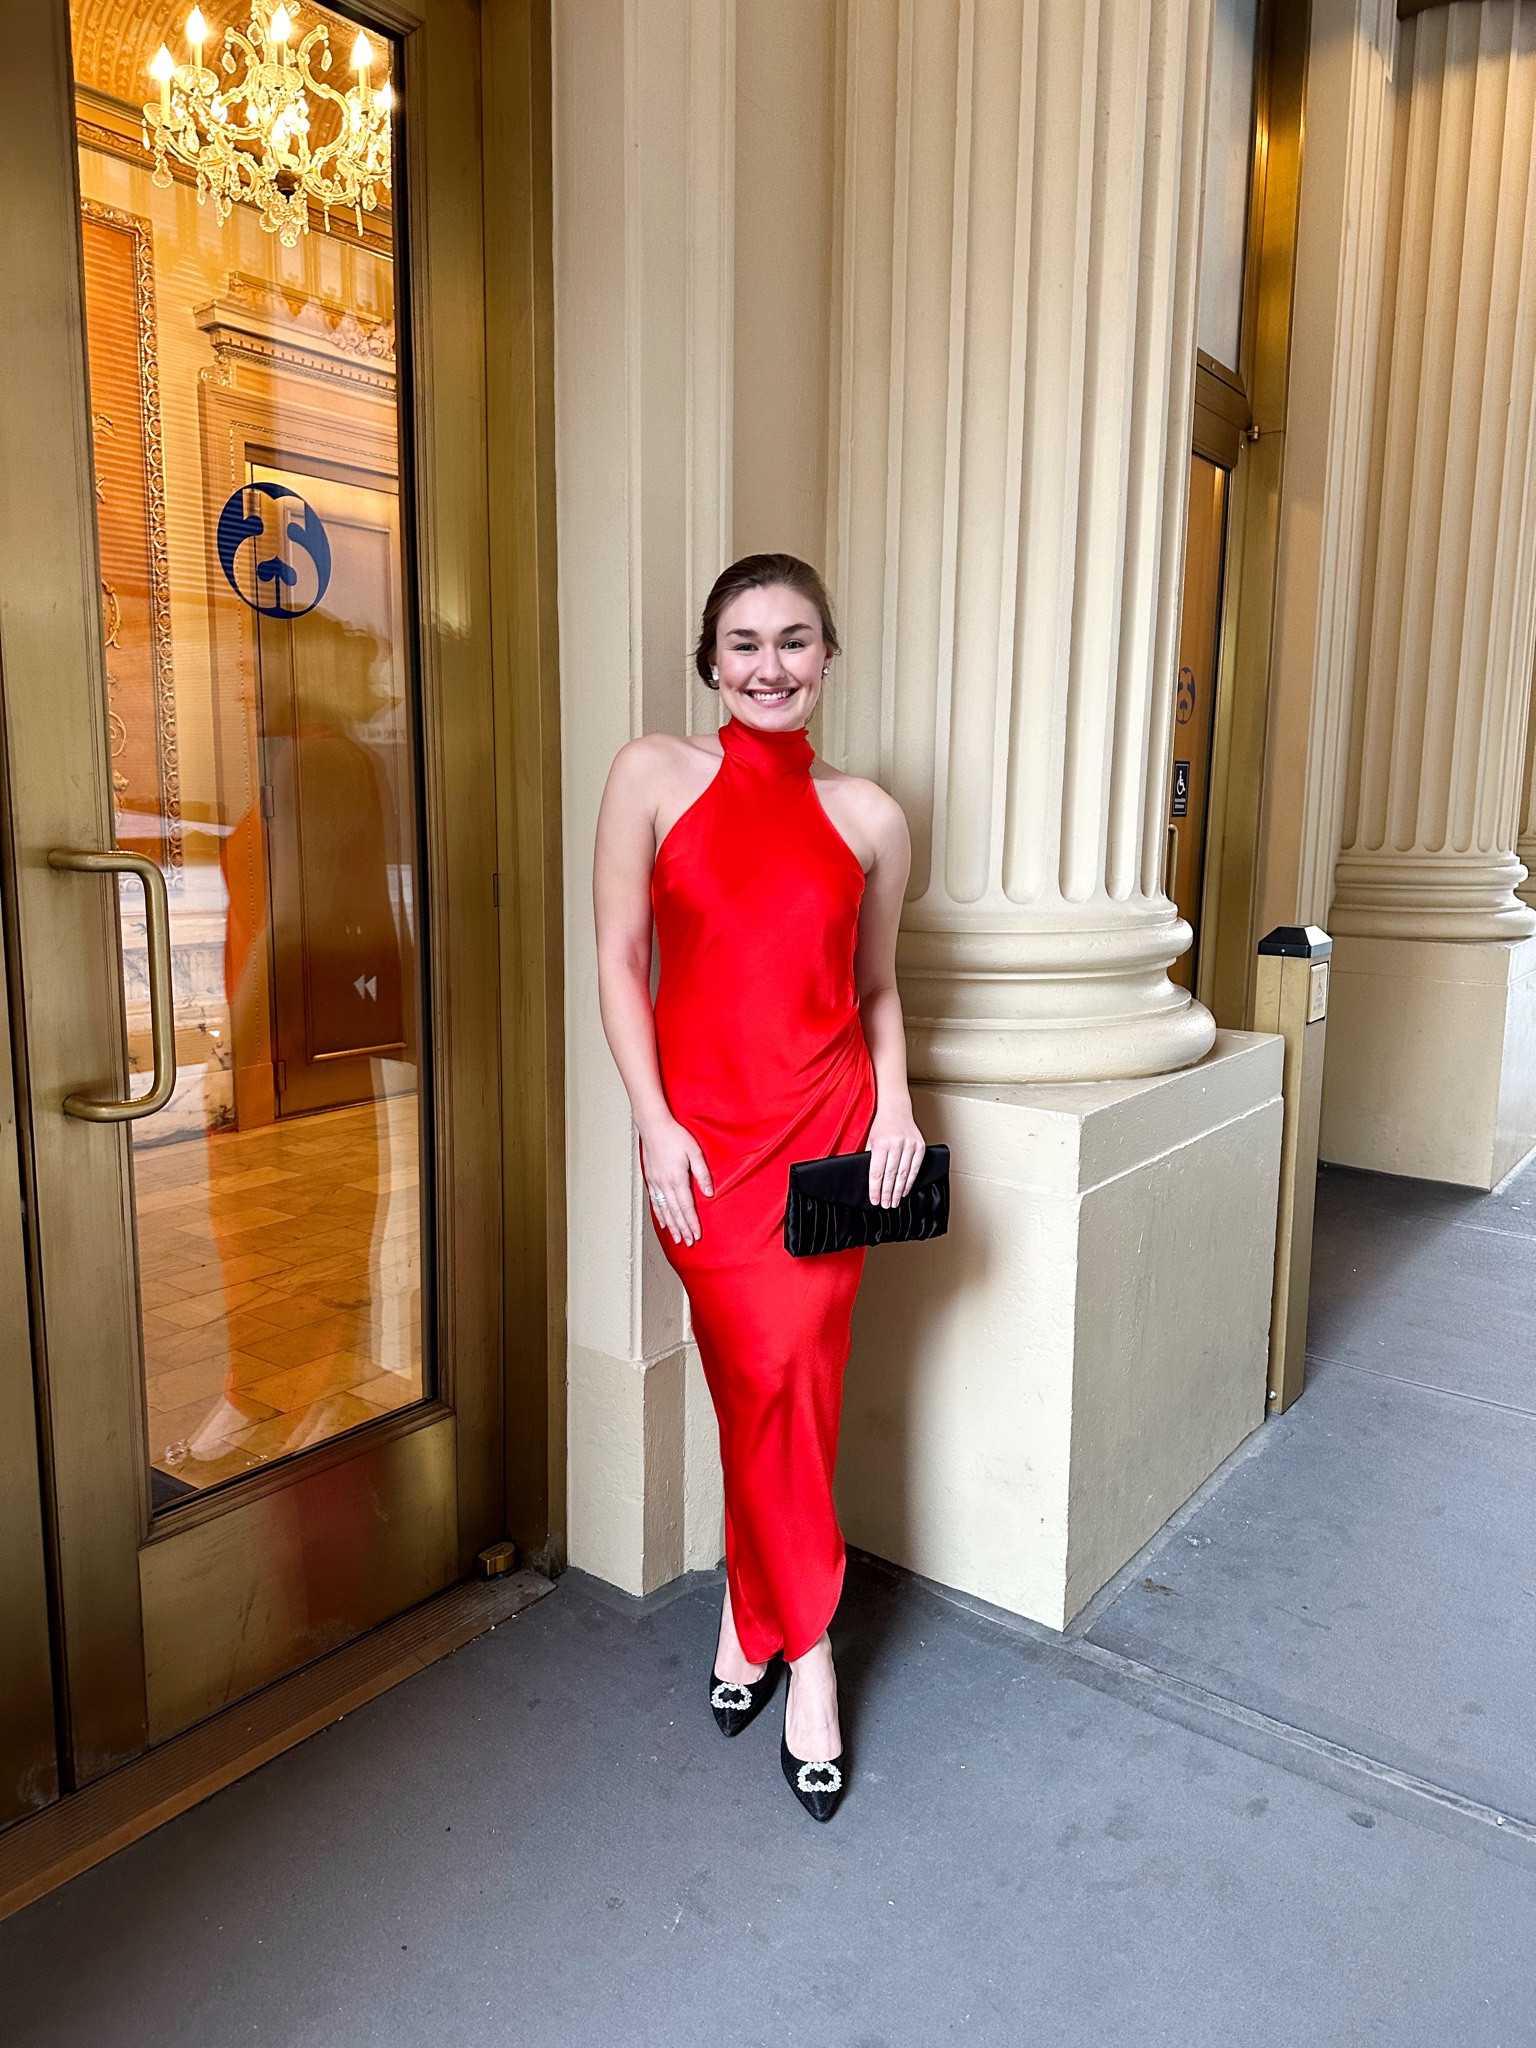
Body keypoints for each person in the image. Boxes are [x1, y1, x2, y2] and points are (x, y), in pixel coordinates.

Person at [593, 553, 923, 1821]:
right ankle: (800, 1629)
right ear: (709, 661)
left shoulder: (873, 816)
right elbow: (621, 961)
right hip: (705, 1147)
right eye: (743, 642)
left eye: (794, 641)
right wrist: (654, 1122)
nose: (769, 665)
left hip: (833, 1134)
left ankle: (783, 1639)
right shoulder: (651, 775)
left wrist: (894, 1101)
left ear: (830, 655)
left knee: (792, 1379)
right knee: (758, 1374)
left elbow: (879, 987)